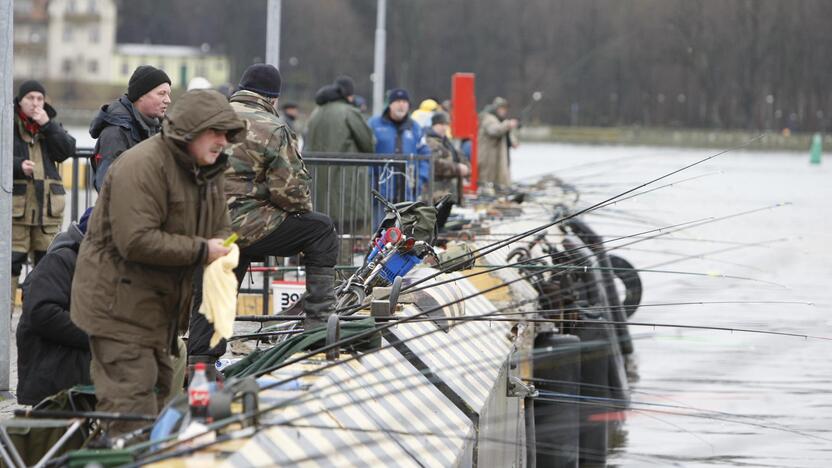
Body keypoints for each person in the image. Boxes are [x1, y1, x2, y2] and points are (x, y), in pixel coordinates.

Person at [70, 89, 246, 436]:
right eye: (217, 132)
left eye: (228, 134)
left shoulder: (207, 172)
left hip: (160, 314)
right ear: (192, 130)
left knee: (163, 409)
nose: (224, 142)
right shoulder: (140, 166)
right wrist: (201, 251)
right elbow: (134, 240)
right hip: (118, 308)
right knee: (130, 413)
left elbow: (222, 228)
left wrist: (226, 250)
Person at [198, 64, 337, 360]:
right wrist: (295, 210)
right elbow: (291, 192)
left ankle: (200, 358)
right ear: (272, 99)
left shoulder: (207, 119)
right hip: (246, 225)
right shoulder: (272, 127)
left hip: (203, 225)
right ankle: (317, 329)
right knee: (321, 230)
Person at [16, 210, 92, 406]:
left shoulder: (98, 266)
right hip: (57, 369)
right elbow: (42, 313)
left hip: (77, 361)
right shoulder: (61, 261)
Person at [12, 80, 76, 306]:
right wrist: (18, 165)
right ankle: (5, 319)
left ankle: (36, 321)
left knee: (45, 270)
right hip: (15, 215)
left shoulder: (48, 125)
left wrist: (48, 125)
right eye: (30, 98)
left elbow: (67, 150)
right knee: (10, 268)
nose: (36, 103)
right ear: (20, 101)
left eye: (40, 98)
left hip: (46, 215)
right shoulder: (8, 123)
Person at [305, 75, 375, 243]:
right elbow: (368, 144)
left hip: (319, 186)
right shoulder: (349, 112)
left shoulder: (315, 113)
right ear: (349, 95)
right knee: (347, 236)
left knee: (324, 235)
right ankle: (345, 269)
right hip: (346, 185)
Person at [88, 65, 172, 191]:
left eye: (168, 94)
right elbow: (106, 185)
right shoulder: (115, 133)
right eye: (162, 94)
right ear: (141, 95)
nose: (168, 100)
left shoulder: (161, 129)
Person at [368, 88, 431, 222]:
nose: (401, 105)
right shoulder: (374, 124)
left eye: (404, 102)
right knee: (380, 230)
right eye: (397, 101)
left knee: (405, 231)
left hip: (408, 191)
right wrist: (370, 178)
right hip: (381, 190)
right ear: (390, 104)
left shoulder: (415, 127)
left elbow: (425, 155)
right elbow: (365, 151)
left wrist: (420, 179)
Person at [425, 112, 469, 229]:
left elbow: (459, 157)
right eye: (440, 124)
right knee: (434, 224)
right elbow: (436, 165)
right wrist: (458, 168)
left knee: (441, 224)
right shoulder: (429, 142)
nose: (444, 127)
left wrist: (465, 166)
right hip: (436, 193)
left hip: (449, 193)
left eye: (446, 124)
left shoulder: (447, 141)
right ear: (433, 125)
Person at [477, 97, 518, 192]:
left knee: (499, 183)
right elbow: (494, 130)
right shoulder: (488, 118)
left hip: (498, 160)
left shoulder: (500, 120)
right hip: (488, 159)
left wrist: (514, 141)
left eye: (505, 109)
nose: (504, 111)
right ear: (496, 108)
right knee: (487, 184)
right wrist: (508, 124)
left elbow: (509, 137)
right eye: (502, 108)